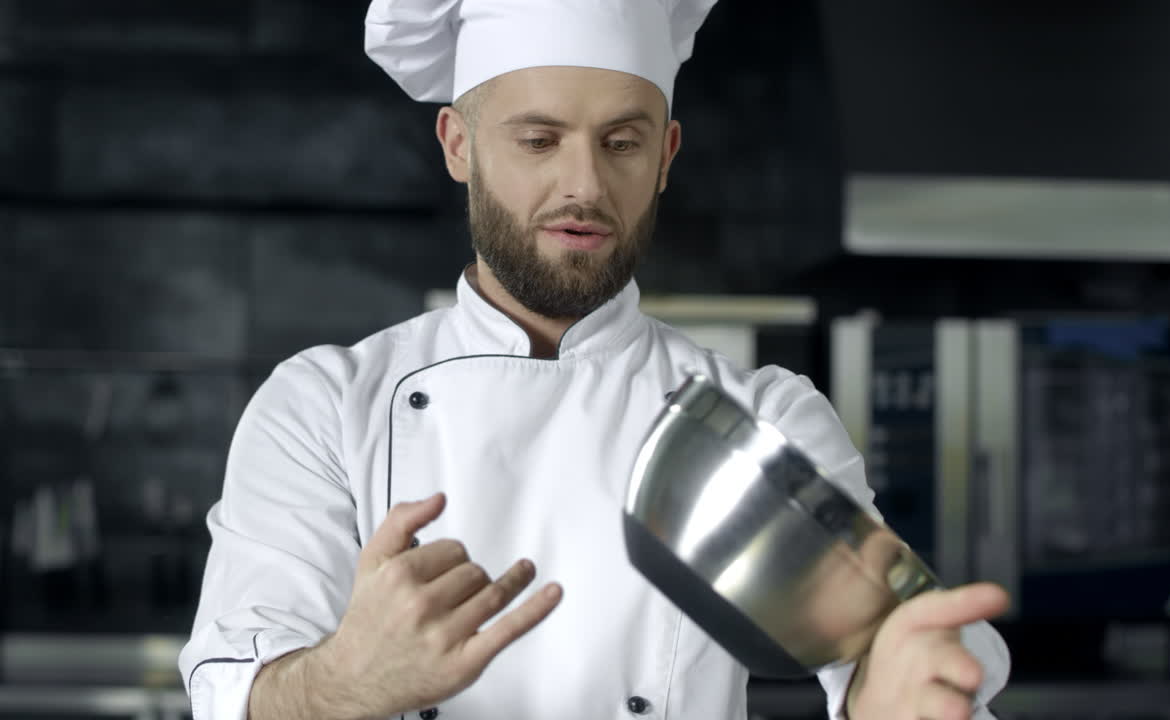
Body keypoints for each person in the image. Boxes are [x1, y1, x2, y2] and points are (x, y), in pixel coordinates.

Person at [178, 0, 1012, 718]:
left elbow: (880, 653)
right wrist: (344, 681)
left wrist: (893, 693)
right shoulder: (324, 407)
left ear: (666, 156)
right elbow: (232, 694)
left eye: (621, 143)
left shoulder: (761, 416)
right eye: (540, 140)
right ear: (459, 145)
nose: (584, 184)